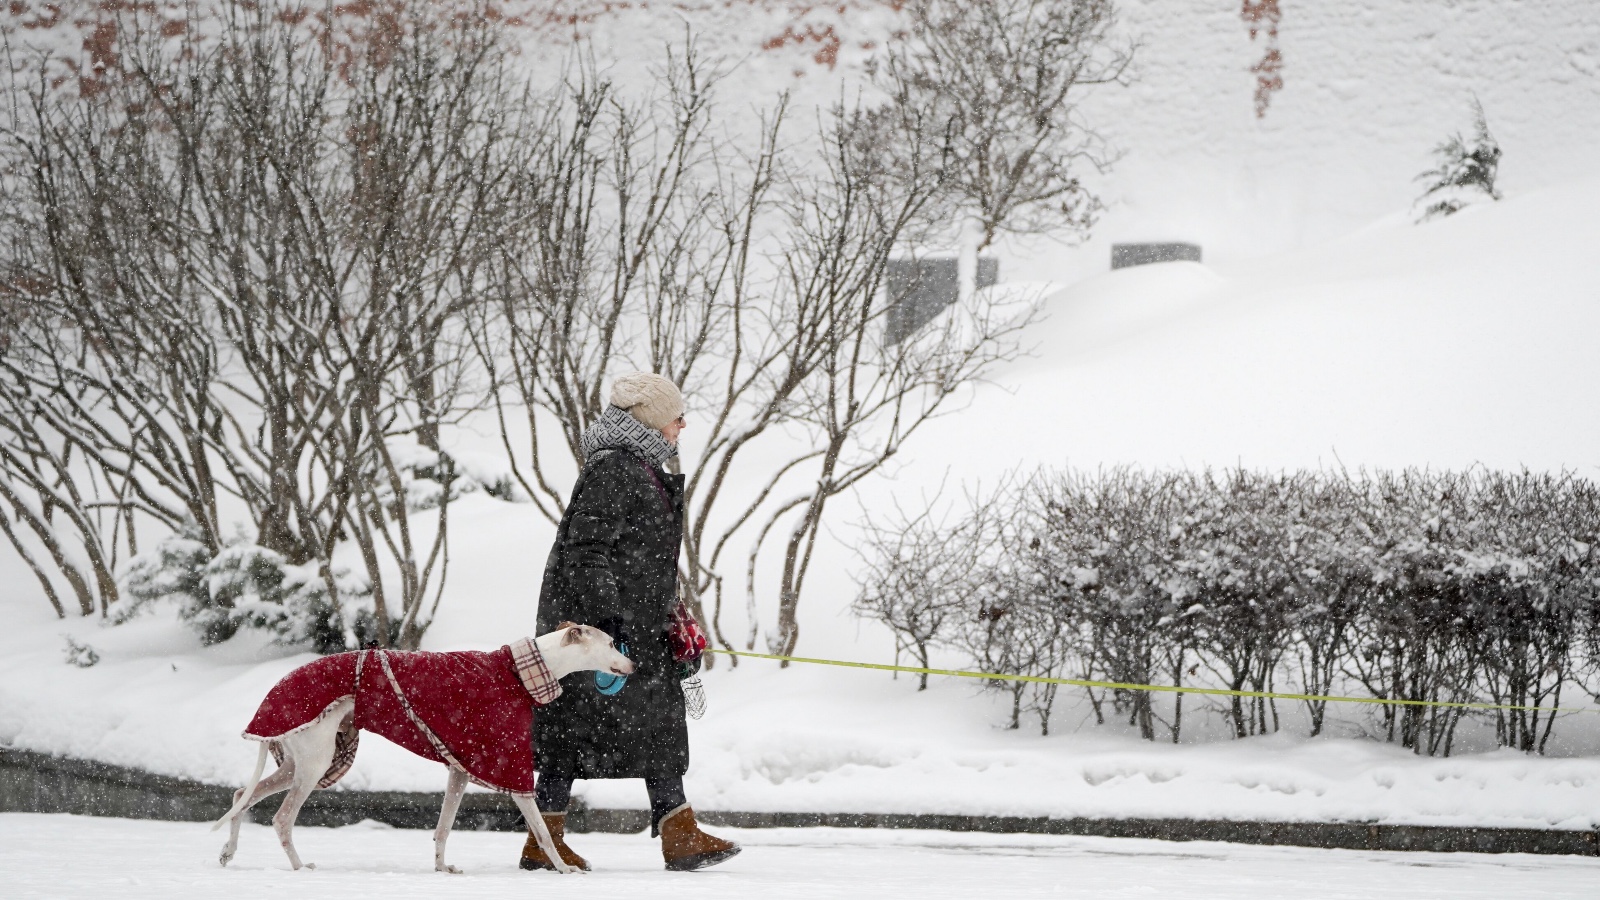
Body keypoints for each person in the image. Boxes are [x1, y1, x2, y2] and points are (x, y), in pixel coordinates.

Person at [521, 372, 740, 873]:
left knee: (651, 725)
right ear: (650, 419)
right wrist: (605, 624)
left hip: (636, 625)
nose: (682, 424)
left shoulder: (633, 467)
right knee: (576, 730)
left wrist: (666, 610)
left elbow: (632, 555)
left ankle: (674, 831)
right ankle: (547, 839)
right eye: (675, 416)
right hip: (602, 633)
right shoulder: (617, 469)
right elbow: (586, 549)